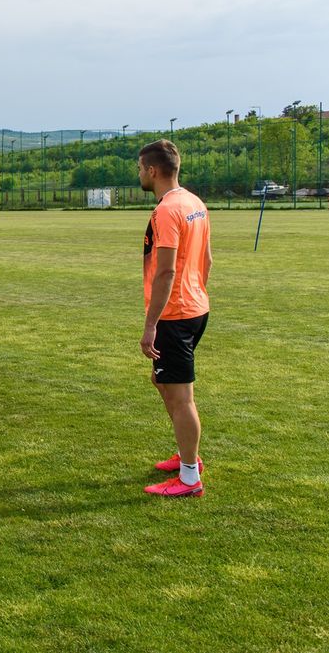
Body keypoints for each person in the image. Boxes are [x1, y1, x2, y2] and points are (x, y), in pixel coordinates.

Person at [137, 139, 212, 498]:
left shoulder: (167, 211)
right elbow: (207, 260)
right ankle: (187, 455)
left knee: (181, 397)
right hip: (195, 308)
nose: (139, 174)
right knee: (162, 380)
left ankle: (189, 475)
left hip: (175, 314)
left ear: (152, 170)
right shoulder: (194, 202)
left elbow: (165, 273)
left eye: (140, 168)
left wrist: (152, 325)